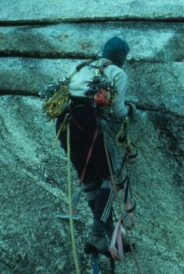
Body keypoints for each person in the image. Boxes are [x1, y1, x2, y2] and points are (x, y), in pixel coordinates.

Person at [56, 35, 135, 258]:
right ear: (122, 57)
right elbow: (118, 111)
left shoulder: (80, 66)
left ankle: (105, 233)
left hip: (63, 123)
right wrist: (130, 110)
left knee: (90, 179)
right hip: (87, 121)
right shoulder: (117, 73)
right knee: (109, 178)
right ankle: (98, 233)